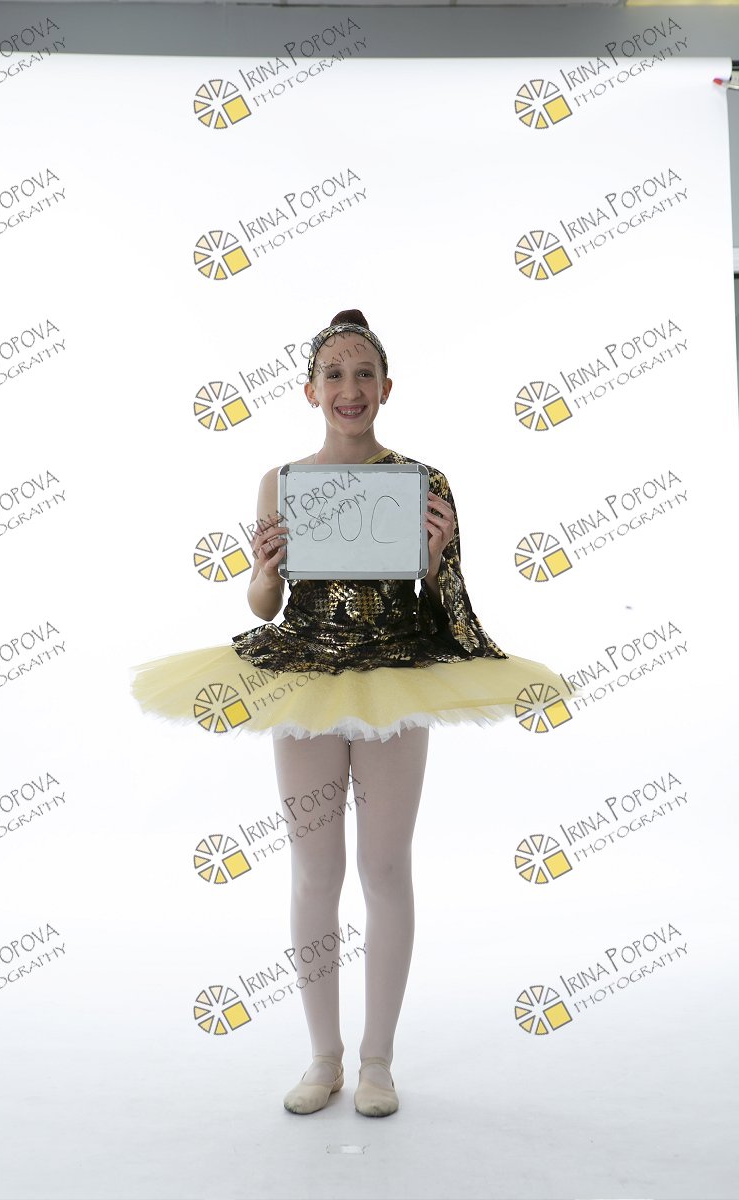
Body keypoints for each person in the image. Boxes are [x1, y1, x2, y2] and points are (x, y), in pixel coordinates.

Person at [130, 308, 575, 1118]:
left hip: (395, 674)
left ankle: (377, 1061)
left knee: (385, 868)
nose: (349, 387)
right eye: (333, 374)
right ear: (310, 390)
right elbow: (265, 604)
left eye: (363, 373)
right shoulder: (281, 482)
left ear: (387, 388)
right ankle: (322, 1057)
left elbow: (448, 613)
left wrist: (434, 558)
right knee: (314, 870)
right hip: (303, 672)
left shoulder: (423, 483)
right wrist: (265, 570)